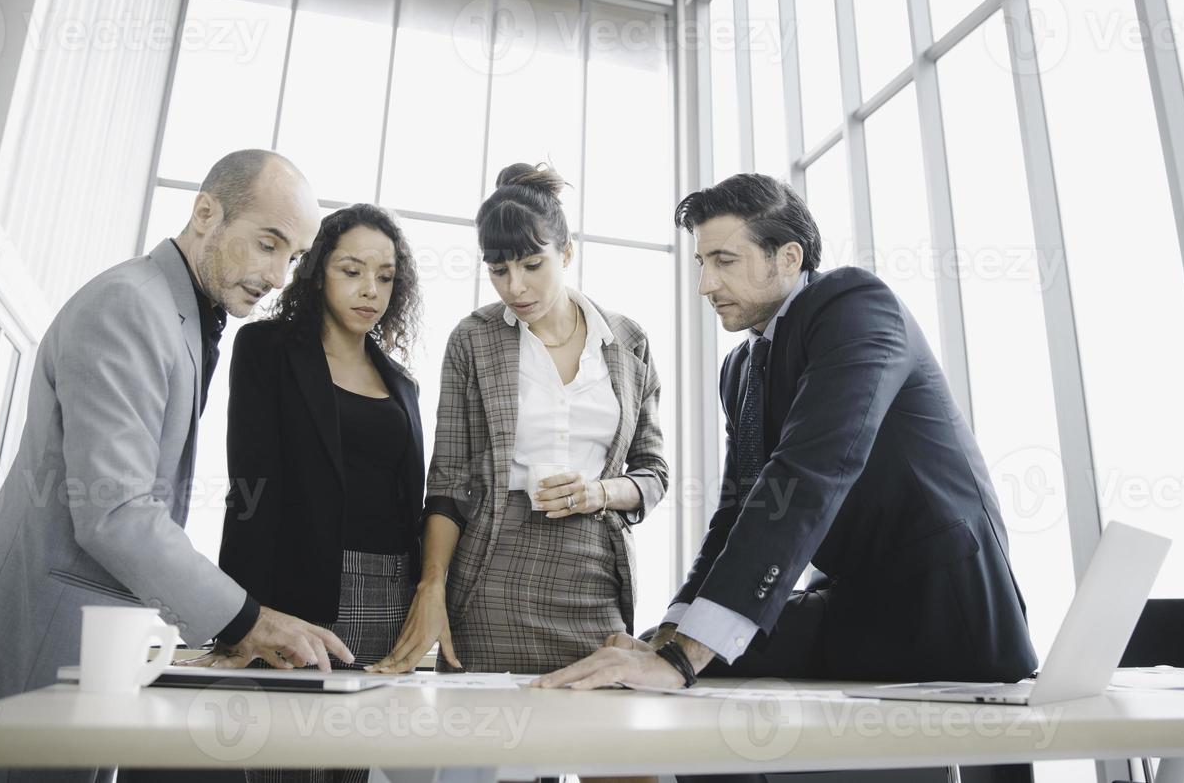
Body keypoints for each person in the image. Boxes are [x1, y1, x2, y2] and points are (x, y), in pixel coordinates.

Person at [0, 151, 350, 783]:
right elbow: (117, 512)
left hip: (80, 658)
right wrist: (247, 622)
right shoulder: (129, 307)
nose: (279, 274)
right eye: (268, 244)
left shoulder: (172, 310)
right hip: (35, 659)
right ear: (206, 212)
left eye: (292, 257)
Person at [535, 173, 1037, 703]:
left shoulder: (856, 307)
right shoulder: (742, 367)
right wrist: (671, 631)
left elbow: (808, 471)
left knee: (684, 669)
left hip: (944, 610)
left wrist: (684, 657)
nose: (706, 284)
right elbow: (737, 510)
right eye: (702, 263)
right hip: (848, 606)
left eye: (725, 261)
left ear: (789, 258)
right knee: (642, 664)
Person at [371, 163, 668, 676]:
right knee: (482, 743)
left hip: (595, 576)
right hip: (492, 574)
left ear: (567, 252)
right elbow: (447, 481)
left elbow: (654, 475)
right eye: (498, 269)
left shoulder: (627, 341)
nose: (515, 286)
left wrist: (598, 492)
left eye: (533, 264)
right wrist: (431, 586)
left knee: (598, 737)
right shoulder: (474, 338)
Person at [219, 204, 425, 783]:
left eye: (385, 277)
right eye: (352, 270)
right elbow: (248, 486)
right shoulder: (268, 349)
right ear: (318, 272)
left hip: (386, 593)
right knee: (285, 759)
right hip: (296, 586)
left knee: (348, 763)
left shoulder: (402, 382)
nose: (371, 290)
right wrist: (239, 615)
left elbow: (413, 498)